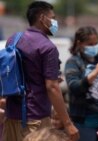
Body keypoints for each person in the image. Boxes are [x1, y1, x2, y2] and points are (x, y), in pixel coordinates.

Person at [2, 1, 79, 141]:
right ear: (43, 18)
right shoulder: (47, 47)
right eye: (53, 18)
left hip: (11, 116)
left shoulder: (13, 39)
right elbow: (52, 87)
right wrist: (68, 124)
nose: (55, 22)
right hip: (35, 120)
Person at [64, 26, 98, 141]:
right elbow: (74, 87)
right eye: (90, 44)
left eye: (96, 43)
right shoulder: (73, 62)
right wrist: (94, 73)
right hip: (84, 121)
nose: (94, 47)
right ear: (80, 43)